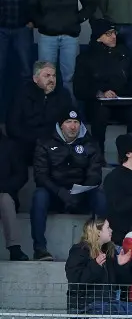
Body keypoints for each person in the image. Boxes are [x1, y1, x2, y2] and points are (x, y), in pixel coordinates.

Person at [31, 108, 105, 260]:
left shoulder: (90, 144)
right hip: (55, 196)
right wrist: (60, 192)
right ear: (60, 125)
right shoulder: (45, 143)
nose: (73, 126)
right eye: (68, 122)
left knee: (100, 195)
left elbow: (95, 175)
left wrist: (80, 192)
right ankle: (40, 249)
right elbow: (40, 176)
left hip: (81, 196)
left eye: (76, 122)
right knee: (39, 195)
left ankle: (106, 246)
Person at [30, 0, 96, 95]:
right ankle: (45, 114)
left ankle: (69, 115)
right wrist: (42, 22)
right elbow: (31, 6)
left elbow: (91, 4)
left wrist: (78, 18)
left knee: (69, 78)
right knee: (45, 77)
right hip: (47, 36)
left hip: (70, 37)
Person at [75, 18, 132, 156]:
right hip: (98, 103)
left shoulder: (125, 53)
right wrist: (99, 93)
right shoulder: (86, 58)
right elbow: (79, 87)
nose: (114, 36)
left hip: (123, 101)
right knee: (100, 113)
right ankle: (98, 156)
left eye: (114, 33)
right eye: (108, 34)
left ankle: (130, 155)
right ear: (98, 38)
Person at [0, 0, 43, 118]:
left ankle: (26, 113)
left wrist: (35, 20)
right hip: (0, 29)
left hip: (22, 28)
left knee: (26, 72)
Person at [6, 61, 73, 162]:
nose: (51, 79)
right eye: (47, 76)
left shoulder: (63, 95)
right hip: (26, 143)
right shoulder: (22, 93)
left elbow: (70, 122)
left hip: (52, 145)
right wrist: (33, 140)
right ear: (35, 79)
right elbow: (12, 125)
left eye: (54, 76)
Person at [0, 134, 28, 260]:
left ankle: (14, 248)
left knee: (5, 199)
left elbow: (22, 174)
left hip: (3, 192)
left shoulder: (9, 145)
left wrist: (3, 187)